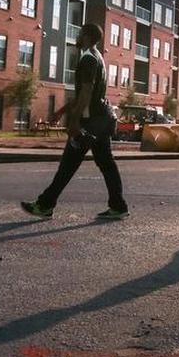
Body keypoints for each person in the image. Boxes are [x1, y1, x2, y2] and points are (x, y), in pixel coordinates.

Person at [21, 23, 128, 220]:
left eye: (80, 33)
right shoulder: (98, 57)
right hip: (102, 120)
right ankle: (118, 206)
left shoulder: (88, 58)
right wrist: (61, 111)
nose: (77, 36)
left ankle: (45, 205)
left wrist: (75, 120)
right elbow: (85, 94)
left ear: (86, 36)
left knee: (68, 165)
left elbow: (86, 92)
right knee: (106, 164)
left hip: (89, 122)